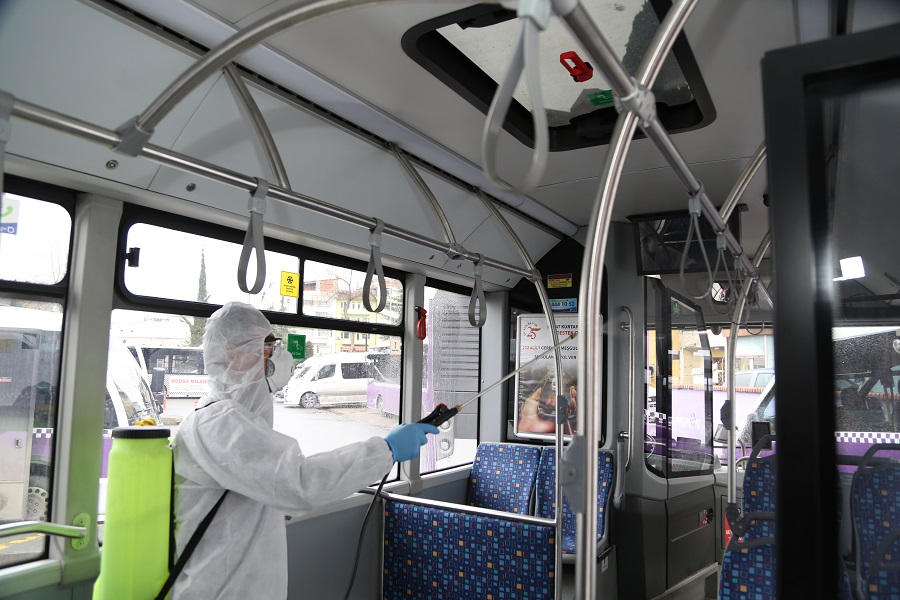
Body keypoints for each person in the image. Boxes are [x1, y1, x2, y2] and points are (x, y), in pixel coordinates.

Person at [171, 302, 438, 599]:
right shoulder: (217, 424)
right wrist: (386, 450)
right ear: (233, 353)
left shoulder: (237, 419)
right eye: (267, 347)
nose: (277, 356)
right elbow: (300, 482)